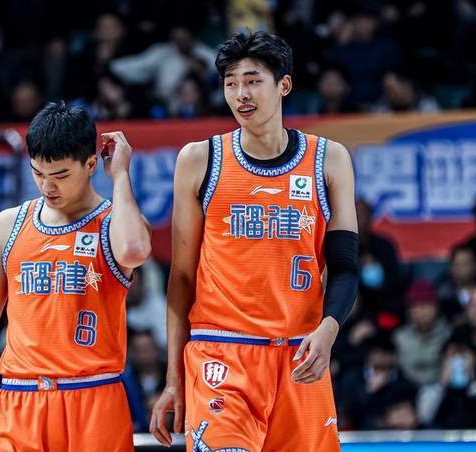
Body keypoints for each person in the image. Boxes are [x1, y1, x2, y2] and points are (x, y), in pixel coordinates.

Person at [150, 31, 359, 451]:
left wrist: (329, 329)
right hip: (222, 355)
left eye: (252, 81)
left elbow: (345, 266)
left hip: (299, 355)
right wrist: (173, 378)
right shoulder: (199, 160)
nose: (241, 94)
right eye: (231, 83)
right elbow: (182, 277)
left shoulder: (329, 159)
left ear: (284, 85)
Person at [0, 101, 151, 451]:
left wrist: (120, 176)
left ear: (90, 164)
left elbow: (133, 251)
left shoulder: (115, 223)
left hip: (93, 398)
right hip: (19, 399)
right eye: (38, 173)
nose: (47, 186)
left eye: (61, 175)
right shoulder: (8, 225)